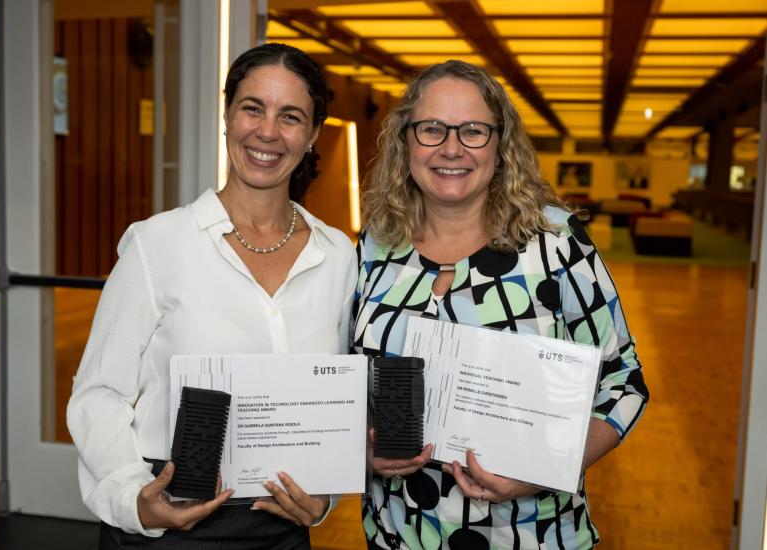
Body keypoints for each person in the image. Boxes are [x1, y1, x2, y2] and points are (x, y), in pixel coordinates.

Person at [67, 43, 357, 549]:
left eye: (290, 116)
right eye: (252, 108)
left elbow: (336, 402)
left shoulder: (337, 257)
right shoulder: (157, 244)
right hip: (169, 520)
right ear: (227, 116)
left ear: (312, 136)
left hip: (281, 528)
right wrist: (133, 497)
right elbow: (99, 391)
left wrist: (323, 499)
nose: (267, 132)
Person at [351, 60, 649, 549]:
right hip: (396, 534)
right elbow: (349, 377)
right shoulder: (375, 248)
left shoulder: (553, 243)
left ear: (500, 144)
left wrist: (548, 469)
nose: (451, 148)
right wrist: (363, 447)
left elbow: (624, 382)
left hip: (531, 535)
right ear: (405, 141)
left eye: (473, 130)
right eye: (432, 129)